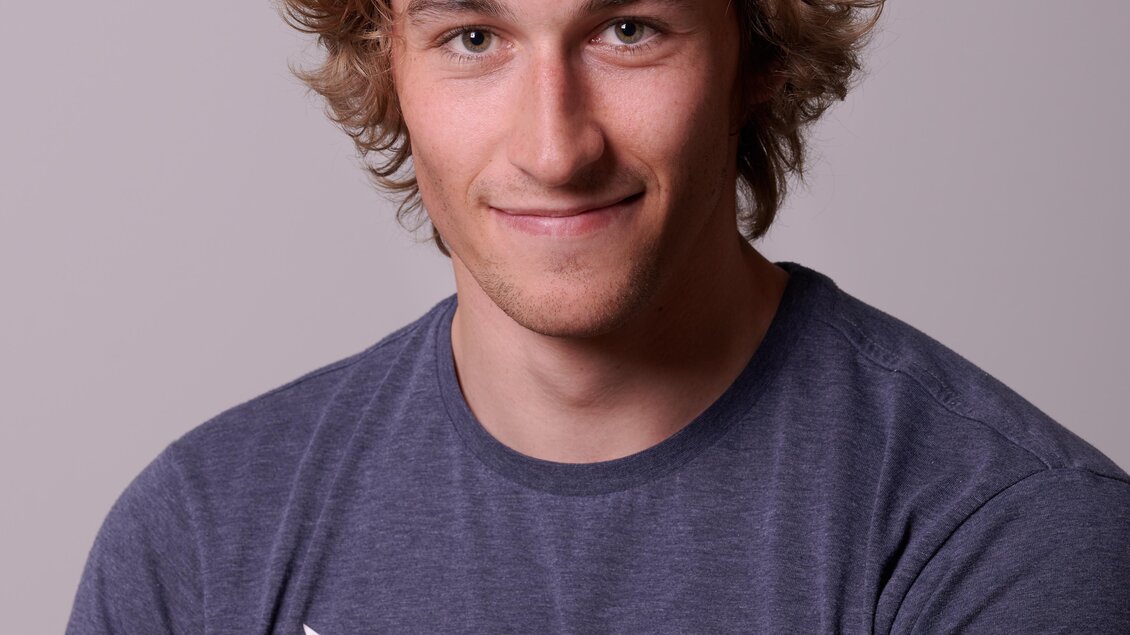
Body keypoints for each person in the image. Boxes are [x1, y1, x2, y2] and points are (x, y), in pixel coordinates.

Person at [68, 0, 1130, 632]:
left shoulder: (1005, 534)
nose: (553, 146)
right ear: (385, 58)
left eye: (628, 28)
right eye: (473, 35)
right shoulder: (199, 538)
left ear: (753, 52)